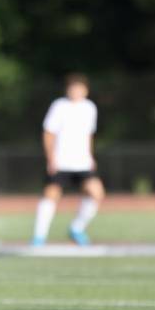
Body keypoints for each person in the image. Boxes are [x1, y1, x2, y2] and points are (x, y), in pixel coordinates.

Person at [32, 73, 105, 246]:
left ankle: (76, 228)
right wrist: (51, 158)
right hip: (61, 160)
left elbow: (89, 135)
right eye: (73, 88)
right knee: (51, 195)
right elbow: (49, 133)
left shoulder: (89, 108)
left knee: (96, 193)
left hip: (82, 161)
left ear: (86, 90)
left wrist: (90, 155)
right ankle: (38, 237)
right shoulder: (59, 106)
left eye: (80, 88)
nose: (77, 91)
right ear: (68, 90)